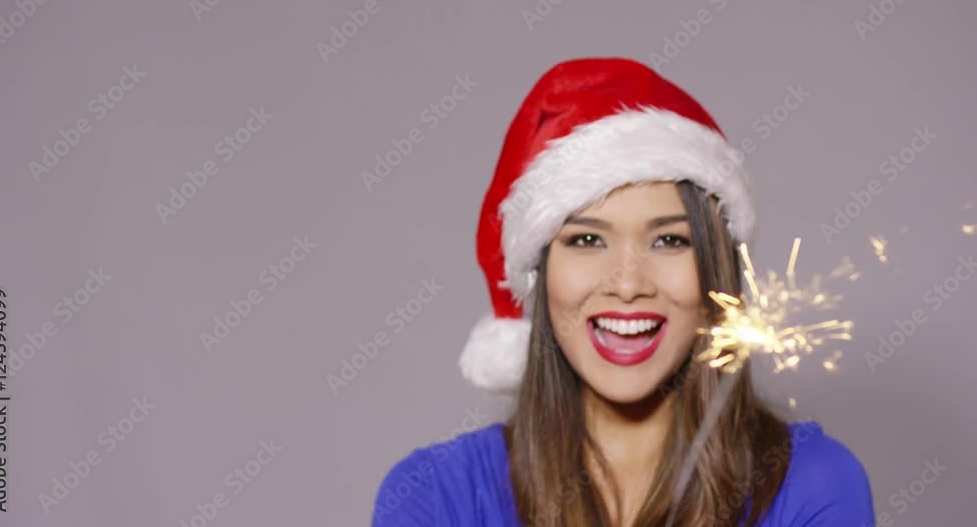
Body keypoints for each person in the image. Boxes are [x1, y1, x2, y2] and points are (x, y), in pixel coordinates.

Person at [371, 57, 874, 526]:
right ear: (541, 274)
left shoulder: (813, 485)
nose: (629, 284)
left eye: (669, 240)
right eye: (587, 240)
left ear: (715, 272)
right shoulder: (435, 495)